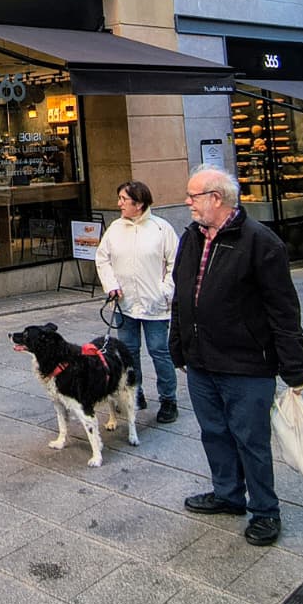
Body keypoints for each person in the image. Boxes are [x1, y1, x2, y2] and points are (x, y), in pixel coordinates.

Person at [169, 164, 303, 547]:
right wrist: (178, 345)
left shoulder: (261, 242)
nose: (187, 202)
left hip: (247, 364)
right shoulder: (192, 237)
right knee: (214, 433)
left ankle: (265, 511)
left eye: (193, 196)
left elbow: (283, 309)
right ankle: (228, 494)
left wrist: (295, 367)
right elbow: (183, 295)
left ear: (216, 198)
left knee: (251, 440)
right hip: (201, 361)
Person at [95, 180, 180, 424]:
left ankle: (168, 400)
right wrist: (111, 285)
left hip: (155, 304)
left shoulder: (161, 229)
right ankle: (136, 392)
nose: (119, 203)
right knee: (129, 352)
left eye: (124, 199)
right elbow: (103, 259)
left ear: (139, 203)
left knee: (159, 351)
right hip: (125, 303)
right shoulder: (115, 229)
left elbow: (175, 262)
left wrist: (165, 291)